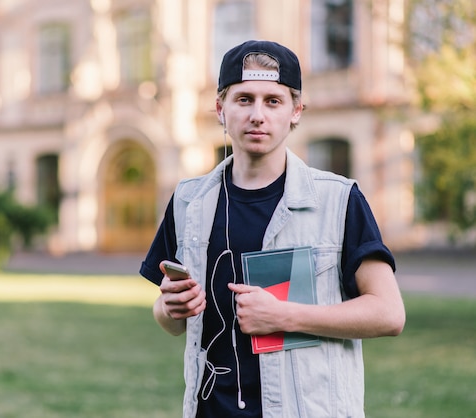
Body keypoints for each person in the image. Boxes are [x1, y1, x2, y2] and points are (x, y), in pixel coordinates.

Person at [139, 40, 405, 418]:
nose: (257, 115)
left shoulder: (338, 200)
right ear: (220, 109)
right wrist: (170, 308)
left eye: (273, 101)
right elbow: (170, 321)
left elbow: (389, 314)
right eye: (244, 99)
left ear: (296, 112)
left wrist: (284, 317)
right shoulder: (188, 201)